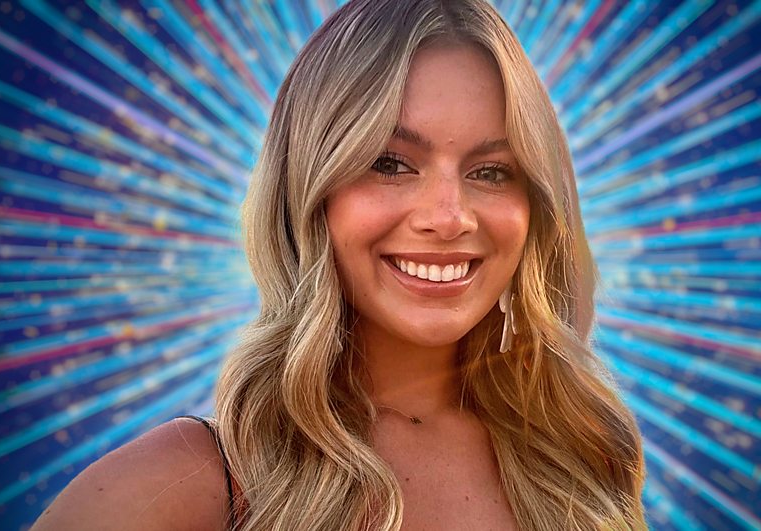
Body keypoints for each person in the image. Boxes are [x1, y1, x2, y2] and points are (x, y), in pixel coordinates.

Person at [32, 0, 647, 529]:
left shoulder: (583, 462)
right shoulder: (183, 486)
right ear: (307, 189)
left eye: (491, 172)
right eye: (389, 163)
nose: (449, 216)